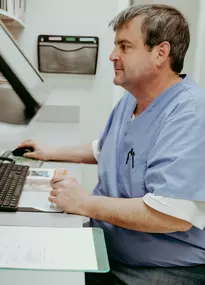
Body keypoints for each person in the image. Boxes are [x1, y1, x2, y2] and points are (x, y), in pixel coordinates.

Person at [18, 4, 205, 285]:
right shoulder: (132, 99)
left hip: (160, 269)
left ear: (161, 53)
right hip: (110, 248)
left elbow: (171, 216)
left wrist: (84, 203)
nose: (112, 56)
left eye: (125, 46)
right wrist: (49, 152)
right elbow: (107, 149)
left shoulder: (189, 113)